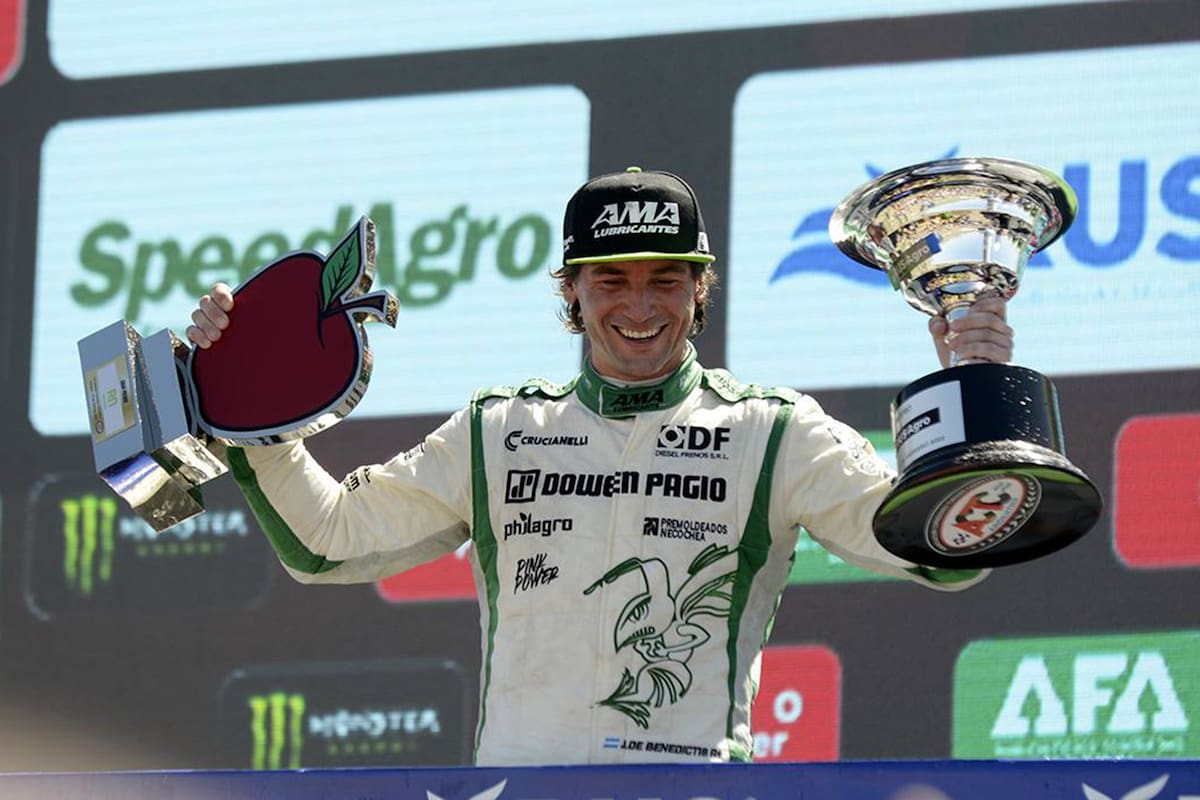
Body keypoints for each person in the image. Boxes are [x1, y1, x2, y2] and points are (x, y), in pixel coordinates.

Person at [186, 167, 1013, 766]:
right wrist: (248, 401)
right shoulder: (499, 428)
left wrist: (972, 397)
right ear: (572, 291)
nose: (640, 305)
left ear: (701, 289)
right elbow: (327, 542)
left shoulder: (773, 429)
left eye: (667, 280)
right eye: (611, 280)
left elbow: (939, 553)